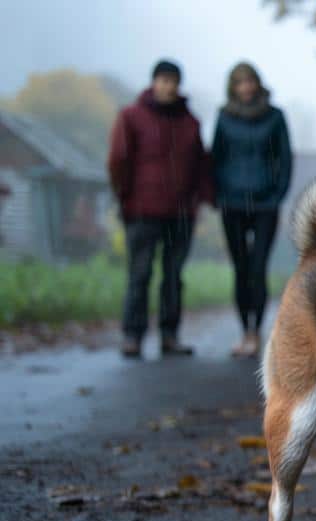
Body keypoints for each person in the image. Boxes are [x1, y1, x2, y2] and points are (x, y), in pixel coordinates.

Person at [108, 59, 212, 358]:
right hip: (141, 209)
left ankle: (169, 335)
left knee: (174, 276)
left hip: (180, 213)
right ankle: (133, 336)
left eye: (173, 81)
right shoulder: (131, 117)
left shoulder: (190, 123)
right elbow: (118, 159)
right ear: (153, 82)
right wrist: (124, 196)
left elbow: (200, 164)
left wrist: (201, 199)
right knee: (139, 274)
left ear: (179, 85)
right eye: (163, 80)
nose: (168, 86)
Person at [211, 62, 292, 358]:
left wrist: (277, 194)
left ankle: (257, 331)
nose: (245, 87)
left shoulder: (275, 117)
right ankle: (244, 329)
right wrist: (219, 192)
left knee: (258, 269)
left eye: (249, 82)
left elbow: (284, 158)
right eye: (239, 82)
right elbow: (216, 156)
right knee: (240, 269)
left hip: (264, 204)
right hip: (231, 202)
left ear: (257, 84)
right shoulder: (223, 117)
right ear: (233, 87)